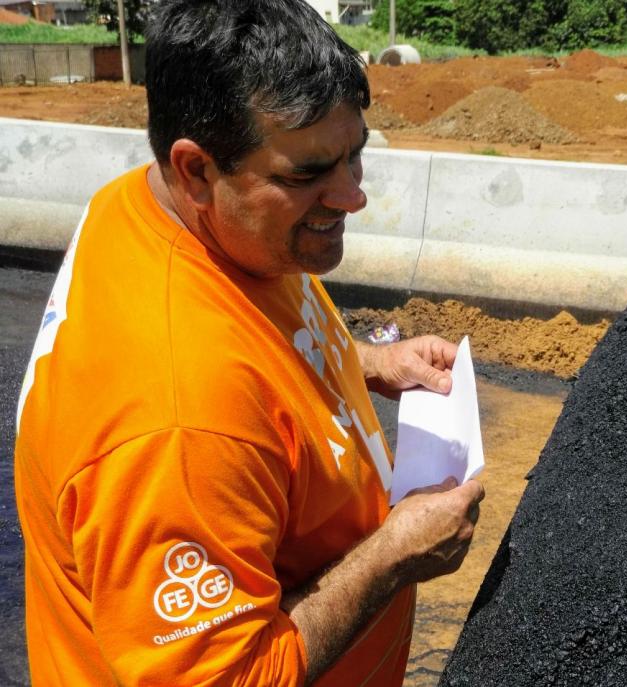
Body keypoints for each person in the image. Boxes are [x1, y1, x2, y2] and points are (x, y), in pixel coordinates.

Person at [13, 1, 485, 685]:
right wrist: (392, 557)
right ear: (195, 170)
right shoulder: (179, 424)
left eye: (355, 154)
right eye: (306, 174)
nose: (352, 196)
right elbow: (230, 677)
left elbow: (255, 342)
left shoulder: (161, 211)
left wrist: (367, 361)